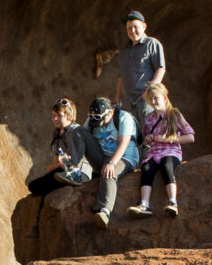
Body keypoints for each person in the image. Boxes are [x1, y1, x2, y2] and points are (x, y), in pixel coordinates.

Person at [126, 82, 193, 217]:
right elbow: (145, 140)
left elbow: (190, 137)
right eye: (151, 99)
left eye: (156, 98)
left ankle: (173, 202)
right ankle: (144, 204)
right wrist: (148, 139)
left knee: (167, 165)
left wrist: (170, 139)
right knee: (146, 168)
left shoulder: (174, 114)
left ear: (164, 97)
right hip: (153, 152)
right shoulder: (148, 118)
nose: (153, 101)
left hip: (170, 151)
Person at [79, 94, 138, 227]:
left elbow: (124, 143)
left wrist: (112, 164)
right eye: (92, 117)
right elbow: (82, 138)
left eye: (99, 118)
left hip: (125, 156)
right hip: (102, 155)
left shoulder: (123, 117)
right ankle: (78, 171)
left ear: (110, 112)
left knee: (109, 173)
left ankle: (105, 211)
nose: (95, 121)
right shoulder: (92, 120)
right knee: (79, 132)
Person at [26, 98, 93, 197]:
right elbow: (57, 160)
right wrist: (54, 166)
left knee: (35, 186)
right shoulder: (56, 133)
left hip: (78, 172)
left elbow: (71, 162)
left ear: (69, 117)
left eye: (59, 116)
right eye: (53, 115)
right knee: (34, 185)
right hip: (63, 170)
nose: (55, 118)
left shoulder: (76, 132)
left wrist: (55, 166)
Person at [115, 9, 165, 118]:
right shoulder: (125, 50)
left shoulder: (152, 44)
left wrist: (148, 93)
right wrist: (118, 97)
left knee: (148, 134)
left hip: (146, 101)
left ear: (144, 26)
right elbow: (121, 75)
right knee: (131, 134)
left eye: (135, 27)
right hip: (128, 103)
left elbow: (160, 69)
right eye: (129, 28)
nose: (132, 31)